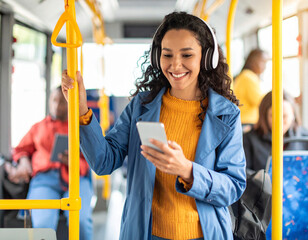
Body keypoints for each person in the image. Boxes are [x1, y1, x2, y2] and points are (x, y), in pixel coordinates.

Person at [62, 12, 246, 240]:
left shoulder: (226, 115)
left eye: (187, 55)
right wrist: (81, 110)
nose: (175, 65)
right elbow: (103, 162)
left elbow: (234, 186)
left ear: (207, 58)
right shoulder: (141, 106)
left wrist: (187, 170)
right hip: (146, 233)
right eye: (167, 55)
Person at [5, 86, 93, 240]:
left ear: (70, 103)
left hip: (75, 179)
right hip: (44, 181)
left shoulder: (80, 129)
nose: (57, 106)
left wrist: (73, 162)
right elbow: (20, 149)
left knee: (81, 222)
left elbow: (92, 160)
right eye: (54, 101)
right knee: (43, 227)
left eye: (62, 102)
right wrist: (24, 161)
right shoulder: (38, 127)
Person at [243, 90, 308, 171]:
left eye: (284, 116)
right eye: (273, 116)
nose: (279, 122)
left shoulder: (304, 137)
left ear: (293, 115)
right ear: (264, 116)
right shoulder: (248, 140)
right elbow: (245, 174)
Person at [233, 49, 268, 128]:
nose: (265, 67)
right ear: (253, 61)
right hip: (247, 122)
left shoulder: (244, 75)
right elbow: (259, 101)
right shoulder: (248, 77)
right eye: (263, 62)